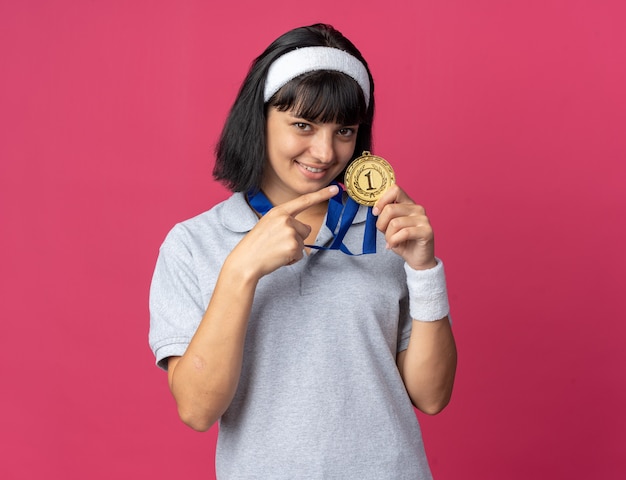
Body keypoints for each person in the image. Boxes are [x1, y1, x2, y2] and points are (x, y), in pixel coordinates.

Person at [149, 23, 457, 479]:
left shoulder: (390, 230)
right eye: (302, 124)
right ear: (261, 119)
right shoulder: (194, 243)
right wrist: (241, 271)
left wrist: (424, 267)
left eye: (344, 131)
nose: (324, 150)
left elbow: (431, 396)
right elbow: (196, 410)